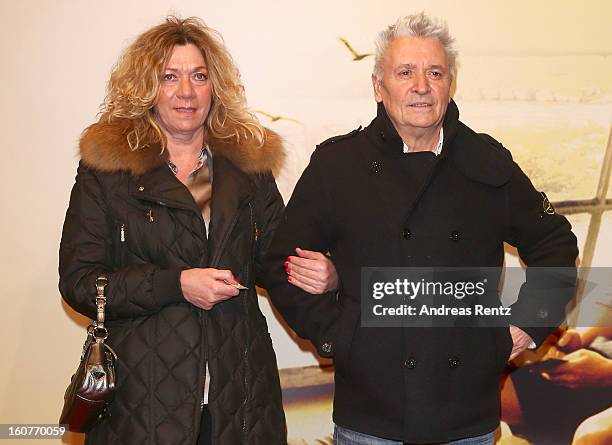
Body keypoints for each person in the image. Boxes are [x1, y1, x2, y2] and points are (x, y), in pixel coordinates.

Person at [263, 12, 578, 445]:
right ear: (379, 86)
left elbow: (555, 244)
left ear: (450, 83)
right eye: (405, 72)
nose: (421, 86)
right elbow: (280, 262)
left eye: (435, 72)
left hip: (467, 417)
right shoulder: (338, 166)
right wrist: (338, 335)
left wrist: (527, 325)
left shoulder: (486, 161)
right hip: (370, 417)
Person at [59, 16, 337, 445]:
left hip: (241, 400)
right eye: (169, 76)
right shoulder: (106, 171)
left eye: (198, 76)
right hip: (144, 404)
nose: (186, 92)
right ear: (147, 88)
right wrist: (176, 284)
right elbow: (80, 282)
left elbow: (277, 262)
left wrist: (328, 276)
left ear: (215, 87)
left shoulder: (248, 168)